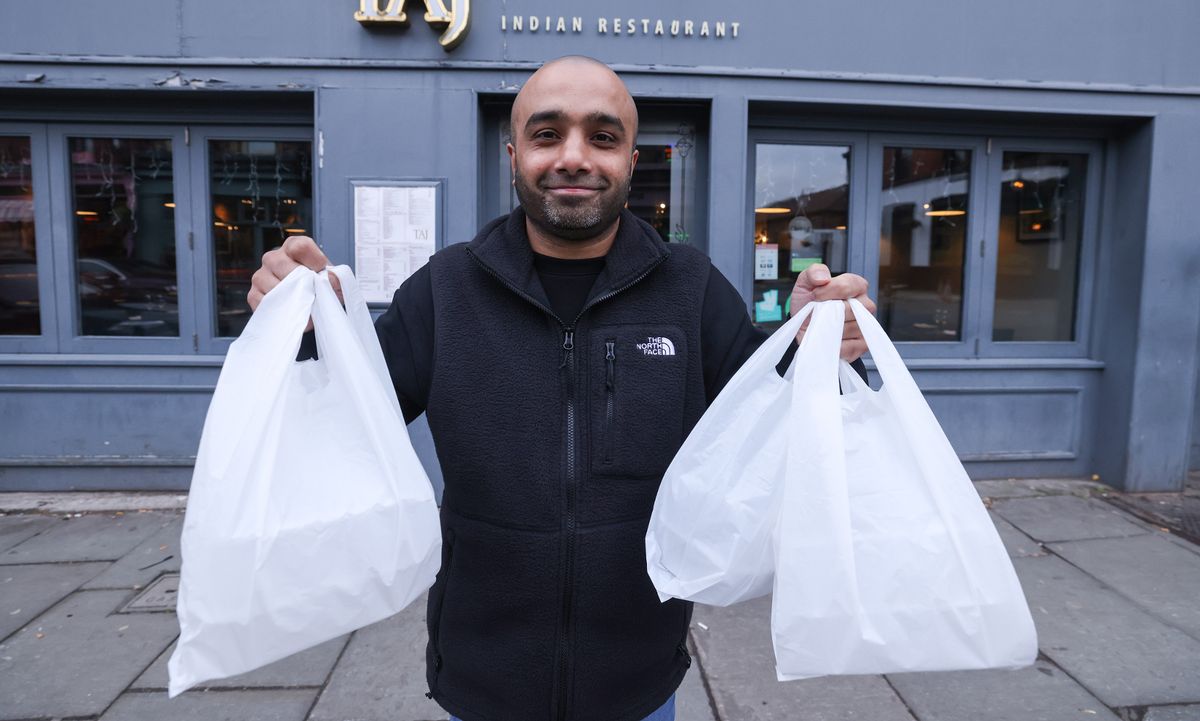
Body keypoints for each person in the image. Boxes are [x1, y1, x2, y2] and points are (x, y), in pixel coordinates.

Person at [249, 56, 875, 721]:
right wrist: (309, 338)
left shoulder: (691, 290)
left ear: (632, 161)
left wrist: (818, 353)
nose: (574, 157)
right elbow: (345, 416)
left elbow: (781, 422)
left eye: (602, 137)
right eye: (548, 134)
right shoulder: (445, 289)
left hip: (637, 682)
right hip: (482, 680)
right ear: (514, 153)